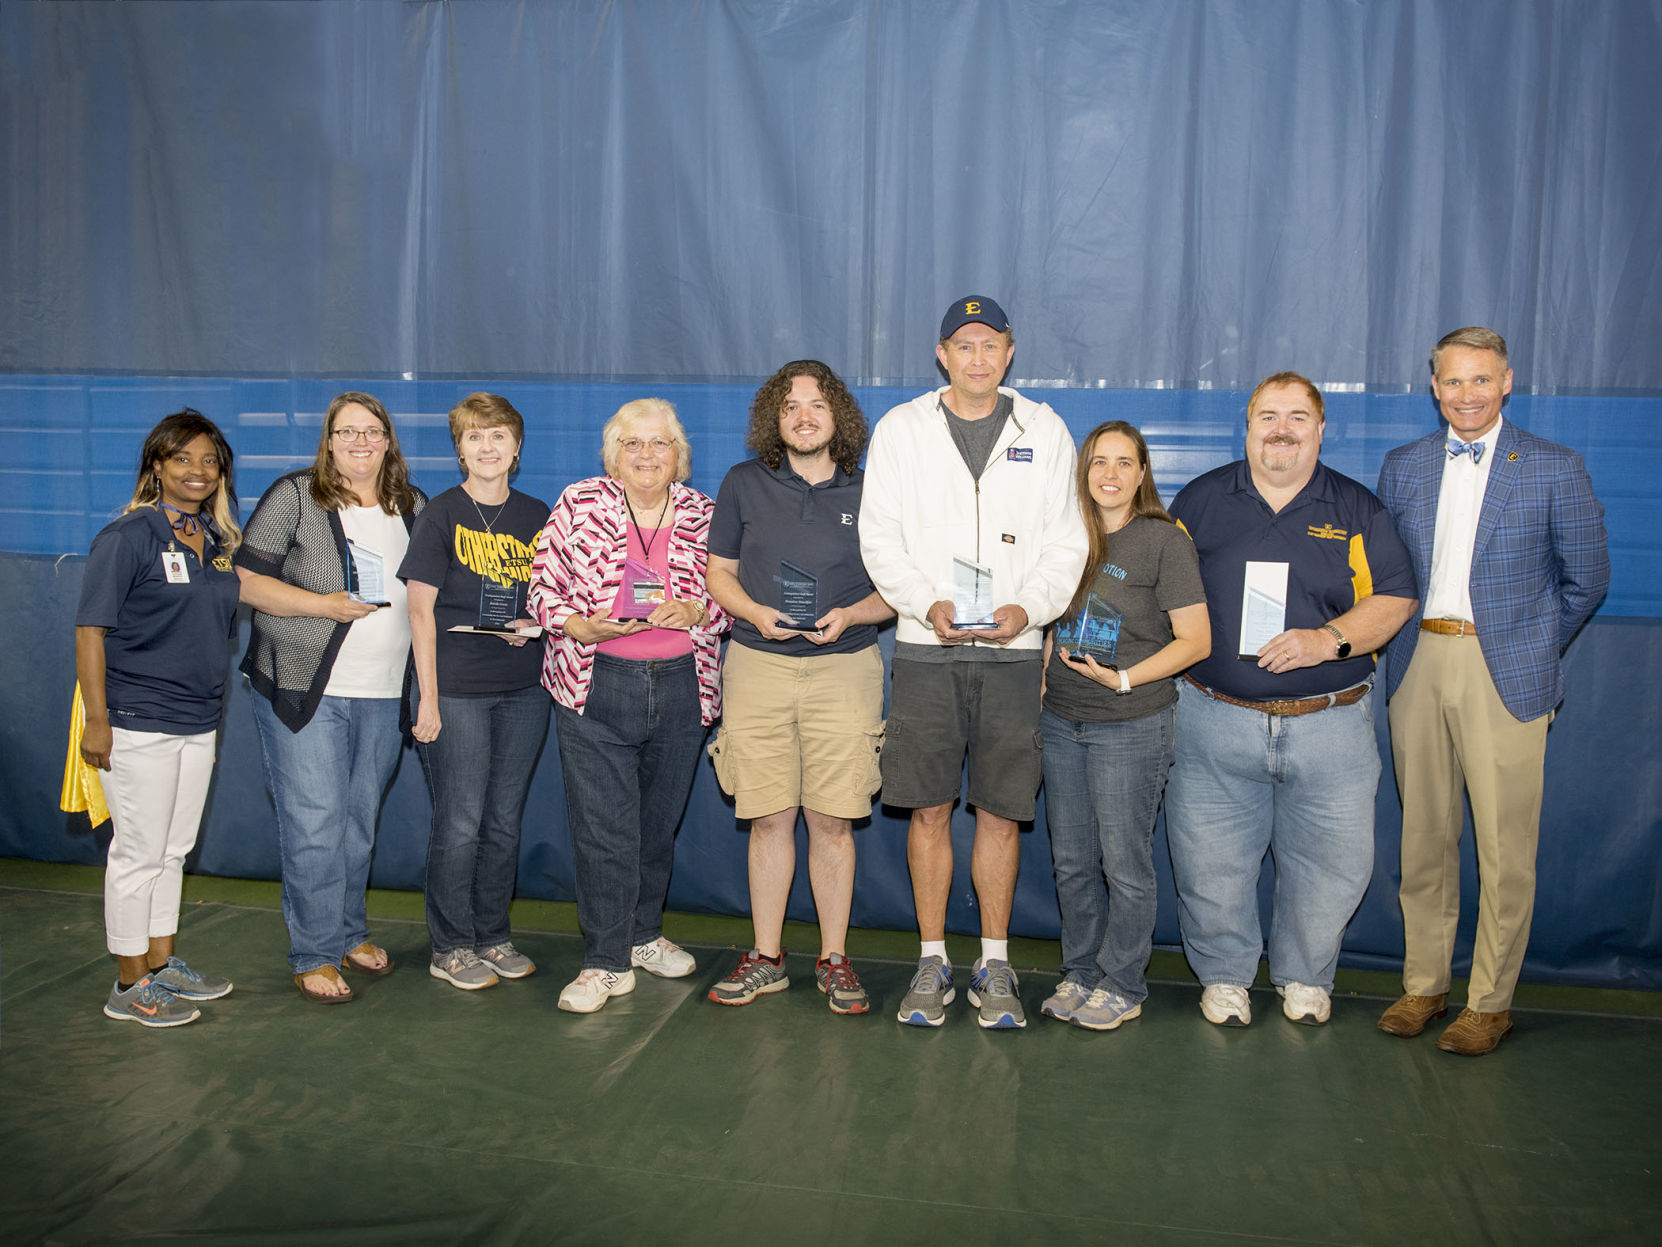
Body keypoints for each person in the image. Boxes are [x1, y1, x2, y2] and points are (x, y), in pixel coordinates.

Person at [1376, 327, 1609, 1056]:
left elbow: (1587, 580)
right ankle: (1424, 984)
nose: (1467, 394)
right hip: (1419, 663)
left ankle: (1490, 1002)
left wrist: (1532, 644)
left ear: (1507, 381)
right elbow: (1389, 575)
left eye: (1481, 380)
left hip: (1504, 672)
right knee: (1423, 841)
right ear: (1434, 385)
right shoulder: (1404, 466)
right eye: (1453, 381)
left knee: (1506, 849)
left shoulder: (1553, 466)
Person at [858, 296, 1088, 1029]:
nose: (978, 358)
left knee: (999, 810)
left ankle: (994, 961)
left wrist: (1031, 608)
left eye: (990, 344)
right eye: (964, 345)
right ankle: (932, 959)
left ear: (1010, 351)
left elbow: (1067, 541)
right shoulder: (902, 429)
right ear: (942, 354)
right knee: (927, 806)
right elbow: (879, 538)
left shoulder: (1044, 429)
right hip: (929, 646)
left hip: (1014, 654)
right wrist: (928, 603)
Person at [1166, 372, 1418, 1028]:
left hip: (1329, 723)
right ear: (1246, 427)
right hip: (1215, 717)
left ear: (1320, 428)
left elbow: (1393, 597)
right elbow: (1155, 586)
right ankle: (1224, 975)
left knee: (1332, 861)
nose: (1282, 429)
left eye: (1298, 417)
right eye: (1268, 416)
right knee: (1209, 857)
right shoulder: (1199, 500)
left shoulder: (1358, 508)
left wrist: (1327, 639)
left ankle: (1306, 976)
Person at [704, 360, 893, 1014]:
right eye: (790, 407)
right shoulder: (743, 484)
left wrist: (851, 613)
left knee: (833, 821)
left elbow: (893, 593)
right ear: (773, 419)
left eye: (815, 404)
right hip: (757, 665)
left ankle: (834, 957)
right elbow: (718, 572)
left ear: (837, 414)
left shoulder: (872, 492)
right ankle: (768, 955)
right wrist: (754, 612)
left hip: (846, 667)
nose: (803, 416)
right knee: (769, 818)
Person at [528, 398, 728, 1014]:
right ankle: (604, 962)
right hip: (595, 681)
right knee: (603, 830)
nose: (646, 455)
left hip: (682, 685)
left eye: (660, 443)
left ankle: (642, 936)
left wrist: (699, 612)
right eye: (633, 444)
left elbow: (730, 601)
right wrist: (575, 624)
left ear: (680, 455)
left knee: (656, 826)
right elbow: (541, 584)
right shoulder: (579, 503)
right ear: (613, 454)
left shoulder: (704, 512)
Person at [235, 392, 426, 1005]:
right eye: (346, 432)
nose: (360, 443)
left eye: (372, 431)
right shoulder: (295, 494)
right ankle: (312, 952)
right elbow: (244, 578)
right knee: (314, 824)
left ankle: (346, 933)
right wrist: (324, 605)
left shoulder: (413, 506)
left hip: (381, 692)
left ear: (389, 439)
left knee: (357, 824)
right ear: (328, 440)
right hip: (302, 688)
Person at [1037, 421, 1210, 1031]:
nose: (1109, 474)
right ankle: (1080, 971)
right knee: (1072, 862)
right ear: (1083, 473)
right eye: (1098, 462)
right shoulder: (1064, 536)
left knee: (1124, 864)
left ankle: (1122, 983)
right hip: (1062, 722)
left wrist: (1126, 679)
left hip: (1131, 723)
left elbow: (1196, 640)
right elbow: (1053, 617)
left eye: (1123, 463)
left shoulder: (1164, 541)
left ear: (1142, 473)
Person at [75, 410, 243, 1027]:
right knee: (138, 854)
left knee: (173, 851)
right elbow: (91, 630)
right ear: (156, 466)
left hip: (198, 718)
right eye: (182, 459)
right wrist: (99, 720)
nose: (197, 471)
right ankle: (128, 985)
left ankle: (162, 964)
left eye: (208, 460)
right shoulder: (129, 537)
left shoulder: (220, 542)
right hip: (135, 719)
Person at [400, 393, 550, 991]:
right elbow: (419, 614)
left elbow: (551, 595)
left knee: (504, 821)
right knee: (460, 820)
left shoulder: (538, 513)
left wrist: (531, 624)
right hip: (457, 689)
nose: (486, 447)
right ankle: (452, 944)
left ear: (516, 447)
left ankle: (493, 934)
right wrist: (427, 698)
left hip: (522, 689)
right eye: (474, 437)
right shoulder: (440, 514)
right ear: (459, 448)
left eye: (498, 436)